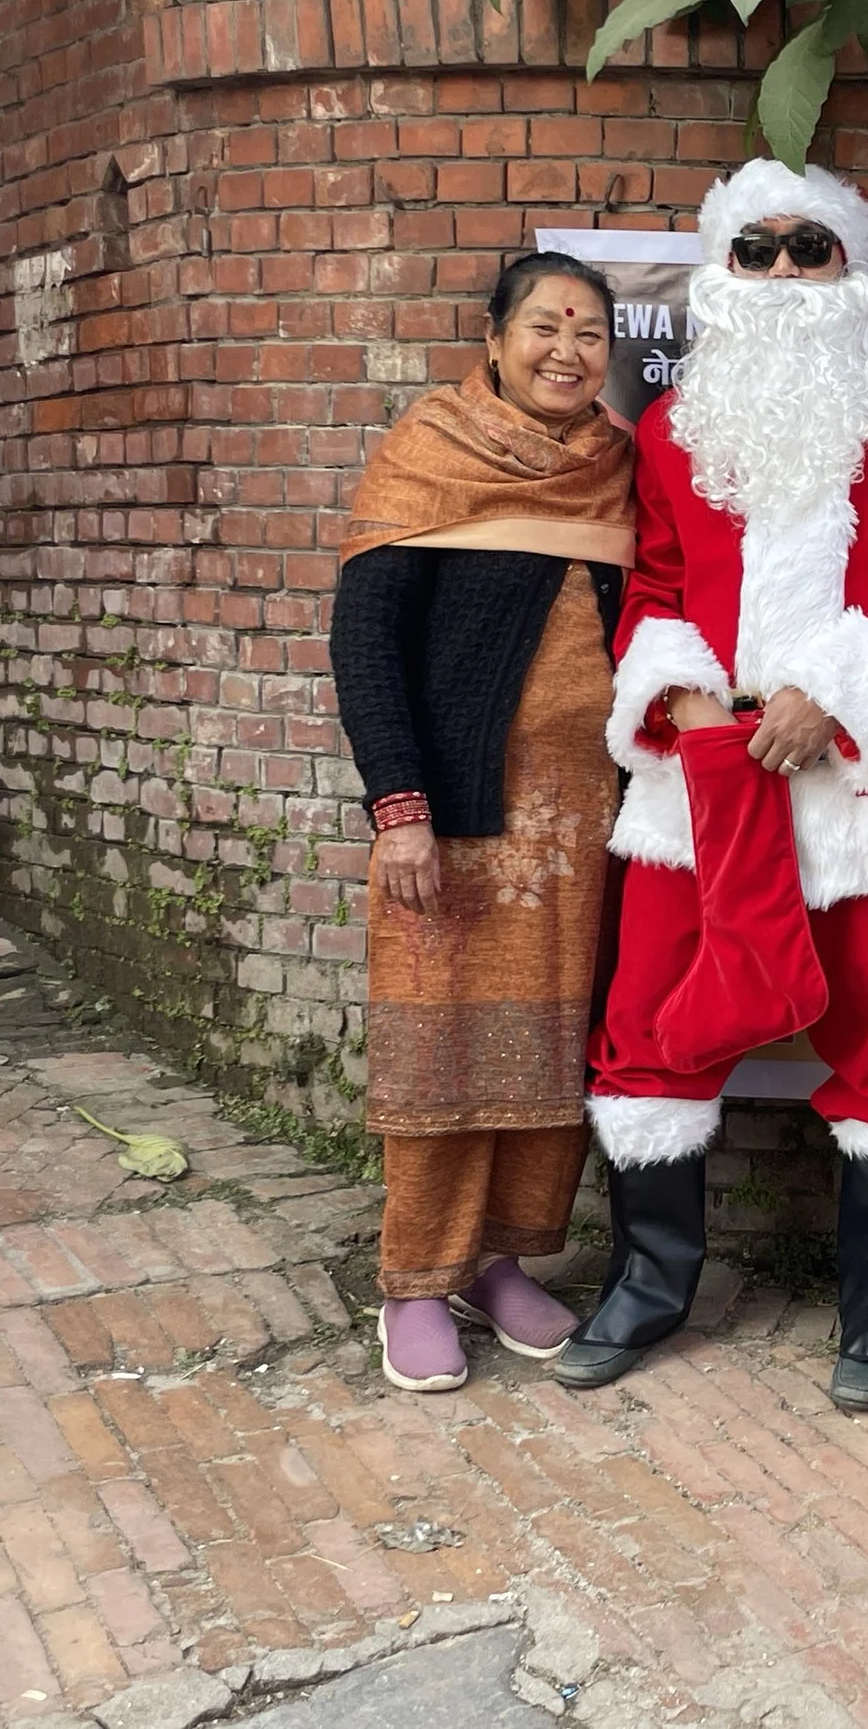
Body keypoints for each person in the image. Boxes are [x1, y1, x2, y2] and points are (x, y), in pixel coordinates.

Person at [559, 161, 868, 1411]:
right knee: (648, 1028)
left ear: (852, 271)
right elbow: (646, 589)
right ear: (720, 272)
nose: (788, 274)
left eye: (814, 250)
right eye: (759, 252)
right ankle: (647, 1285)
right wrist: (679, 692)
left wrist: (833, 700)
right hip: (701, 793)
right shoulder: (673, 428)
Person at [330, 251, 636, 1394]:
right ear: (497, 340)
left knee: (551, 1049)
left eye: (591, 332)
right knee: (444, 1046)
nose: (568, 350)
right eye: (546, 328)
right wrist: (398, 810)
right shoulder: (429, 455)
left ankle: (498, 1262)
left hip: (578, 827)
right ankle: (414, 1278)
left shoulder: (614, 466)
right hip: (452, 824)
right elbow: (365, 646)